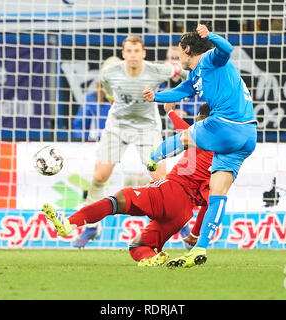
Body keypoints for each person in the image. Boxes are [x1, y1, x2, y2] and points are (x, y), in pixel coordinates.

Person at [143, 23, 257, 267]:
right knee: (217, 193)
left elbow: (227, 49)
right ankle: (199, 248)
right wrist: (156, 97)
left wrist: (211, 36)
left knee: (187, 137)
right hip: (247, 134)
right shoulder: (195, 75)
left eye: (178, 53)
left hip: (227, 123)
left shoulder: (210, 60)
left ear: (187, 49)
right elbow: (181, 91)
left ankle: (154, 156)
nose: (177, 58)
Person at [41, 103, 213, 266]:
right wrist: (194, 234)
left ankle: (69, 223)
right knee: (138, 247)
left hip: (171, 191)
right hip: (183, 213)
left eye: (197, 118)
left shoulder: (200, 136)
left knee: (118, 200)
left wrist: (169, 111)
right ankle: (152, 258)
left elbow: (184, 130)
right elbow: (209, 203)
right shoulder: (221, 158)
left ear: (202, 120)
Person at [73, 35, 187, 248]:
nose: (133, 55)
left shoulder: (157, 70)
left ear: (143, 53)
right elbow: (108, 91)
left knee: (161, 178)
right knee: (100, 175)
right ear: (123, 54)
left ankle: (180, 223)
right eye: (129, 51)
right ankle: (91, 227)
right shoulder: (110, 72)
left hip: (147, 128)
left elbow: (184, 72)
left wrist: (186, 90)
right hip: (118, 126)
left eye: (137, 51)